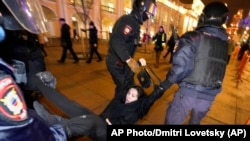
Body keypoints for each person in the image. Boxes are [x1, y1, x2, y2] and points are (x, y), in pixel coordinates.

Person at [160, 1, 230, 124]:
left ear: (203, 17)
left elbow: (180, 67)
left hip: (188, 92)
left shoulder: (193, 37)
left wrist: (166, 83)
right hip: (209, 95)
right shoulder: (224, 43)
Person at [106, 0, 157, 99]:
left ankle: (119, 105)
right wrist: (128, 60)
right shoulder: (129, 21)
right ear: (140, 9)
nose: (148, 17)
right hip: (116, 63)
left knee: (126, 86)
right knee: (125, 87)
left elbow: (128, 42)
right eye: (147, 14)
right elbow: (116, 40)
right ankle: (115, 110)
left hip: (123, 63)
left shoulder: (135, 24)